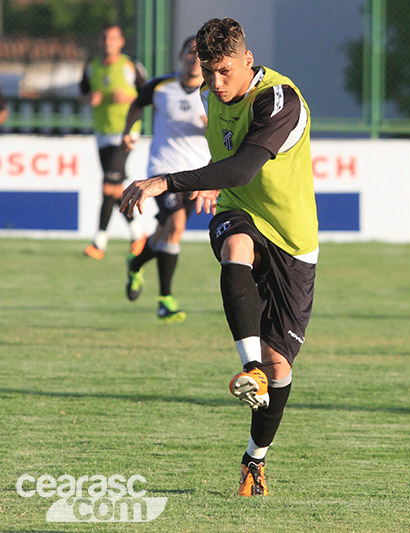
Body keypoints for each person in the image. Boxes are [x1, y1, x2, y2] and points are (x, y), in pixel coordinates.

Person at [119, 18, 317, 496]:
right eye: (209, 72)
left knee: (281, 365)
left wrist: (167, 179)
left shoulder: (280, 100)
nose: (214, 82)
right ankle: (247, 366)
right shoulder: (213, 95)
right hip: (239, 212)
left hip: (293, 238)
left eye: (224, 70)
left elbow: (246, 164)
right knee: (235, 247)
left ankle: (255, 457)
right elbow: (226, 160)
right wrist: (211, 179)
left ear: (248, 60)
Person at [121, 36, 211, 323]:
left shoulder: (213, 90)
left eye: (201, 54)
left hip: (197, 175)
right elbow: (136, 105)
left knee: (164, 235)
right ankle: (165, 300)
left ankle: (135, 264)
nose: (195, 59)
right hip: (163, 172)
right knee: (176, 225)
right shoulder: (161, 87)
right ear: (181, 55)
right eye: (191, 52)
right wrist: (128, 130)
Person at [81, 24, 148, 260]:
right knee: (115, 189)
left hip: (126, 132)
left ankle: (99, 242)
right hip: (102, 132)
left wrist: (131, 97)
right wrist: (90, 98)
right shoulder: (92, 66)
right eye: (104, 37)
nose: (108, 41)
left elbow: (147, 95)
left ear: (121, 42)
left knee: (108, 186)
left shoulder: (130, 66)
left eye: (113, 38)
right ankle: (138, 234)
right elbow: (83, 93)